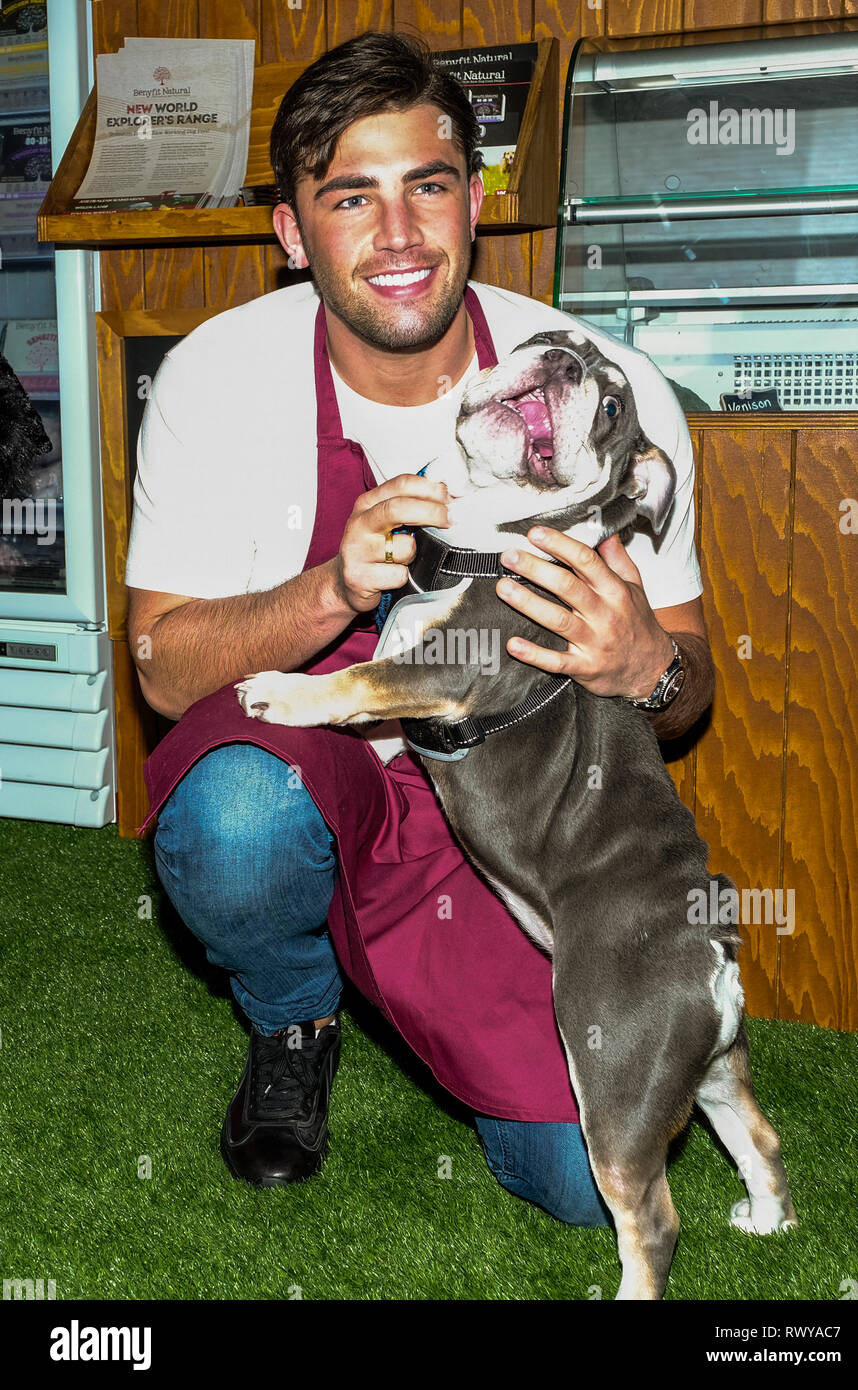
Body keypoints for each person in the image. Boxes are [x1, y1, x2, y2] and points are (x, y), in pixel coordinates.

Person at [125, 31, 715, 1223]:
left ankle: (436, 983)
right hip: (313, 768)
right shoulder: (213, 377)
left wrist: (650, 665)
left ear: (476, 201)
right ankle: (296, 1009)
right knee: (237, 824)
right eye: (351, 196)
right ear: (292, 232)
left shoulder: (603, 388)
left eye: (427, 186)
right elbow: (162, 669)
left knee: (588, 1188)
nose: (398, 238)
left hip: (508, 812)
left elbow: (693, 690)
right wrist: (330, 591)